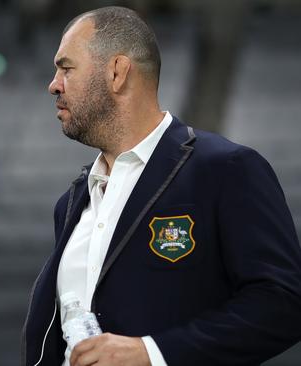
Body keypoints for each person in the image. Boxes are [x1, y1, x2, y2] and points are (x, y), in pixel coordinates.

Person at [22, 6, 301, 366]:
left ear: (117, 73)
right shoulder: (73, 201)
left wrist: (153, 353)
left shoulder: (225, 170)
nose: (53, 84)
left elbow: (285, 302)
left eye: (66, 68)